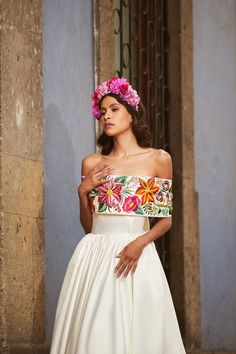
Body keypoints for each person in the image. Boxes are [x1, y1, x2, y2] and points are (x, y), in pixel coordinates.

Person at [50, 77, 186, 354]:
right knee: (95, 334)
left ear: (132, 113)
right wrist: (82, 191)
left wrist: (139, 243)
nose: (106, 116)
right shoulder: (92, 163)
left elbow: (166, 220)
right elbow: (89, 227)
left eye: (114, 109)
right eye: (102, 112)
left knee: (139, 333)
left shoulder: (158, 159)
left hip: (136, 255)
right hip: (95, 255)